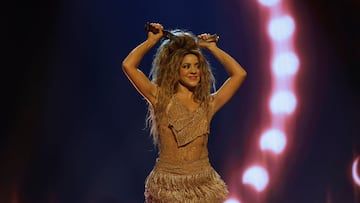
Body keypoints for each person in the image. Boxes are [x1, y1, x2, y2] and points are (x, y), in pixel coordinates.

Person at [122, 22, 247, 203]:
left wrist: (212, 48)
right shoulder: (160, 99)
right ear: (175, 70)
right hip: (168, 186)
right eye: (187, 66)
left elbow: (239, 74)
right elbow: (128, 65)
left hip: (203, 184)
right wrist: (151, 41)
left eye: (196, 66)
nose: (194, 71)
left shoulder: (208, 104)